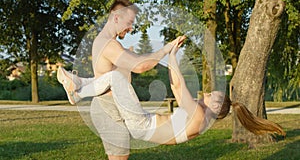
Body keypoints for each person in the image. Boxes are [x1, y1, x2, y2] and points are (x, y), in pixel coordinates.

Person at [58, 37, 286, 146]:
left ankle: (77, 90)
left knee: (116, 78)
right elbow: (177, 87)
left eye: (211, 96)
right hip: (142, 124)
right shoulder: (201, 120)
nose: (206, 94)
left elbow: (178, 86)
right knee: (113, 81)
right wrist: (170, 56)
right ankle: (78, 85)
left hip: (142, 125)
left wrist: (173, 55)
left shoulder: (198, 116)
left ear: (216, 107)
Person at [58, 0, 187, 160]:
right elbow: (140, 66)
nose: (131, 28)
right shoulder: (108, 45)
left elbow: (140, 58)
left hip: (115, 107)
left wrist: (167, 47)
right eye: (129, 22)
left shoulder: (110, 43)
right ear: (116, 17)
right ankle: (78, 90)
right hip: (109, 109)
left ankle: (79, 85)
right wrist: (166, 50)